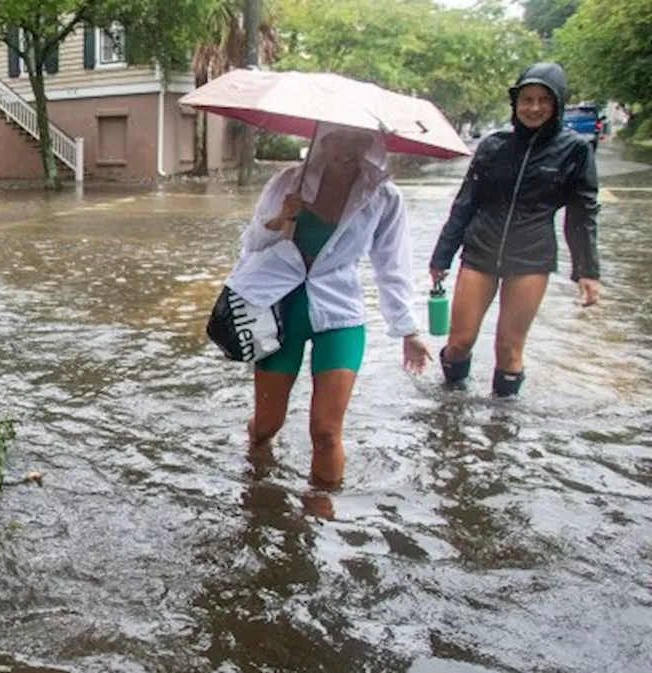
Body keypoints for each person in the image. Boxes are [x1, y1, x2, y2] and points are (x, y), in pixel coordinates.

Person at [230, 123, 431, 488]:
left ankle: (322, 516)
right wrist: (280, 220)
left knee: (326, 432)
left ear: (370, 144)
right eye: (338, 138)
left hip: (340, 312)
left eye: (358, 140)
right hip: (281, 310)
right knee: (266, 427)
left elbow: (392, 263)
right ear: (324, 140)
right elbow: (252, 247)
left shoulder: (383, 196)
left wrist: (408, 329)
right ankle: (257, 479)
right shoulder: (288, 182)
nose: (346, 149)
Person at [429, 62, 600, 397]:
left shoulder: (575, 150)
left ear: (557, 105)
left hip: (531, 256)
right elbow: (465, 203)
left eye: (543, 100)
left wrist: (587, 270)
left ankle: (501, 427)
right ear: (515, 103)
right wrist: (442, 256)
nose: (534, 108)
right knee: (460, 341)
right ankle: (448, 408)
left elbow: (583, 214)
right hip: (481, 250)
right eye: (526, 99)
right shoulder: (493, 146)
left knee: (509, 349)